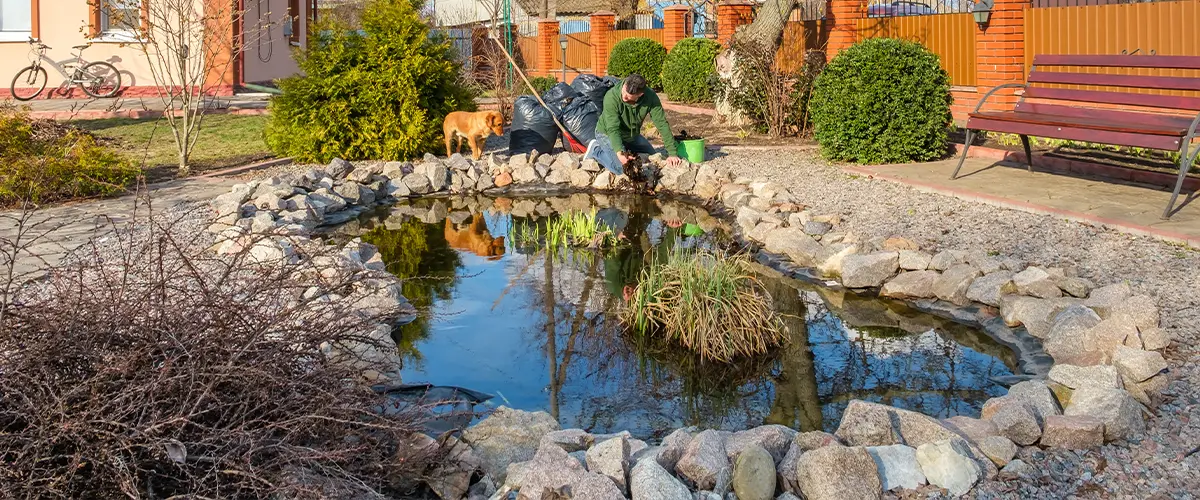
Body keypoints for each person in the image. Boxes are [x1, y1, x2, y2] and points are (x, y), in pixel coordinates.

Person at [586, 73, 685, 175]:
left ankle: (623, 148)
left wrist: (672, 153)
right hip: (607, 133)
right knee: (623, 169)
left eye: (628, 97)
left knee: (653, 157)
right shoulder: (612, 97)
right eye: (624, 93)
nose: (624, 97)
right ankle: (596, 150)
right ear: (625, 84)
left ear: (640, 95)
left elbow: (662, 123)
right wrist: (620, 152)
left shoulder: (650, 97)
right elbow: (613, 128)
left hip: (631, 135)